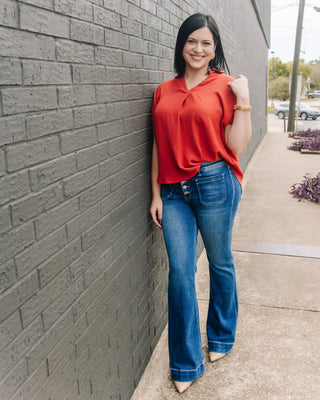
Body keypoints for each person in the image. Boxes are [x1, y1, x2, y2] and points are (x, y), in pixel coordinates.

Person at [150, 13, 251, 394]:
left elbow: (237, 145)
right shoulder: (164, 89)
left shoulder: (225, 86)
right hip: (173, 192)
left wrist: (243, 100)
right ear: (181, 44)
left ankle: (222, 337)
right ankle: (186, 363)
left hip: (214, 185)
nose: (198, 48)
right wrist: (156, 194)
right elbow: (158, 143)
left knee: (219, 261)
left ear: (215, 49)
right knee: (180, 273)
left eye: (206, 43)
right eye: (192, 41)